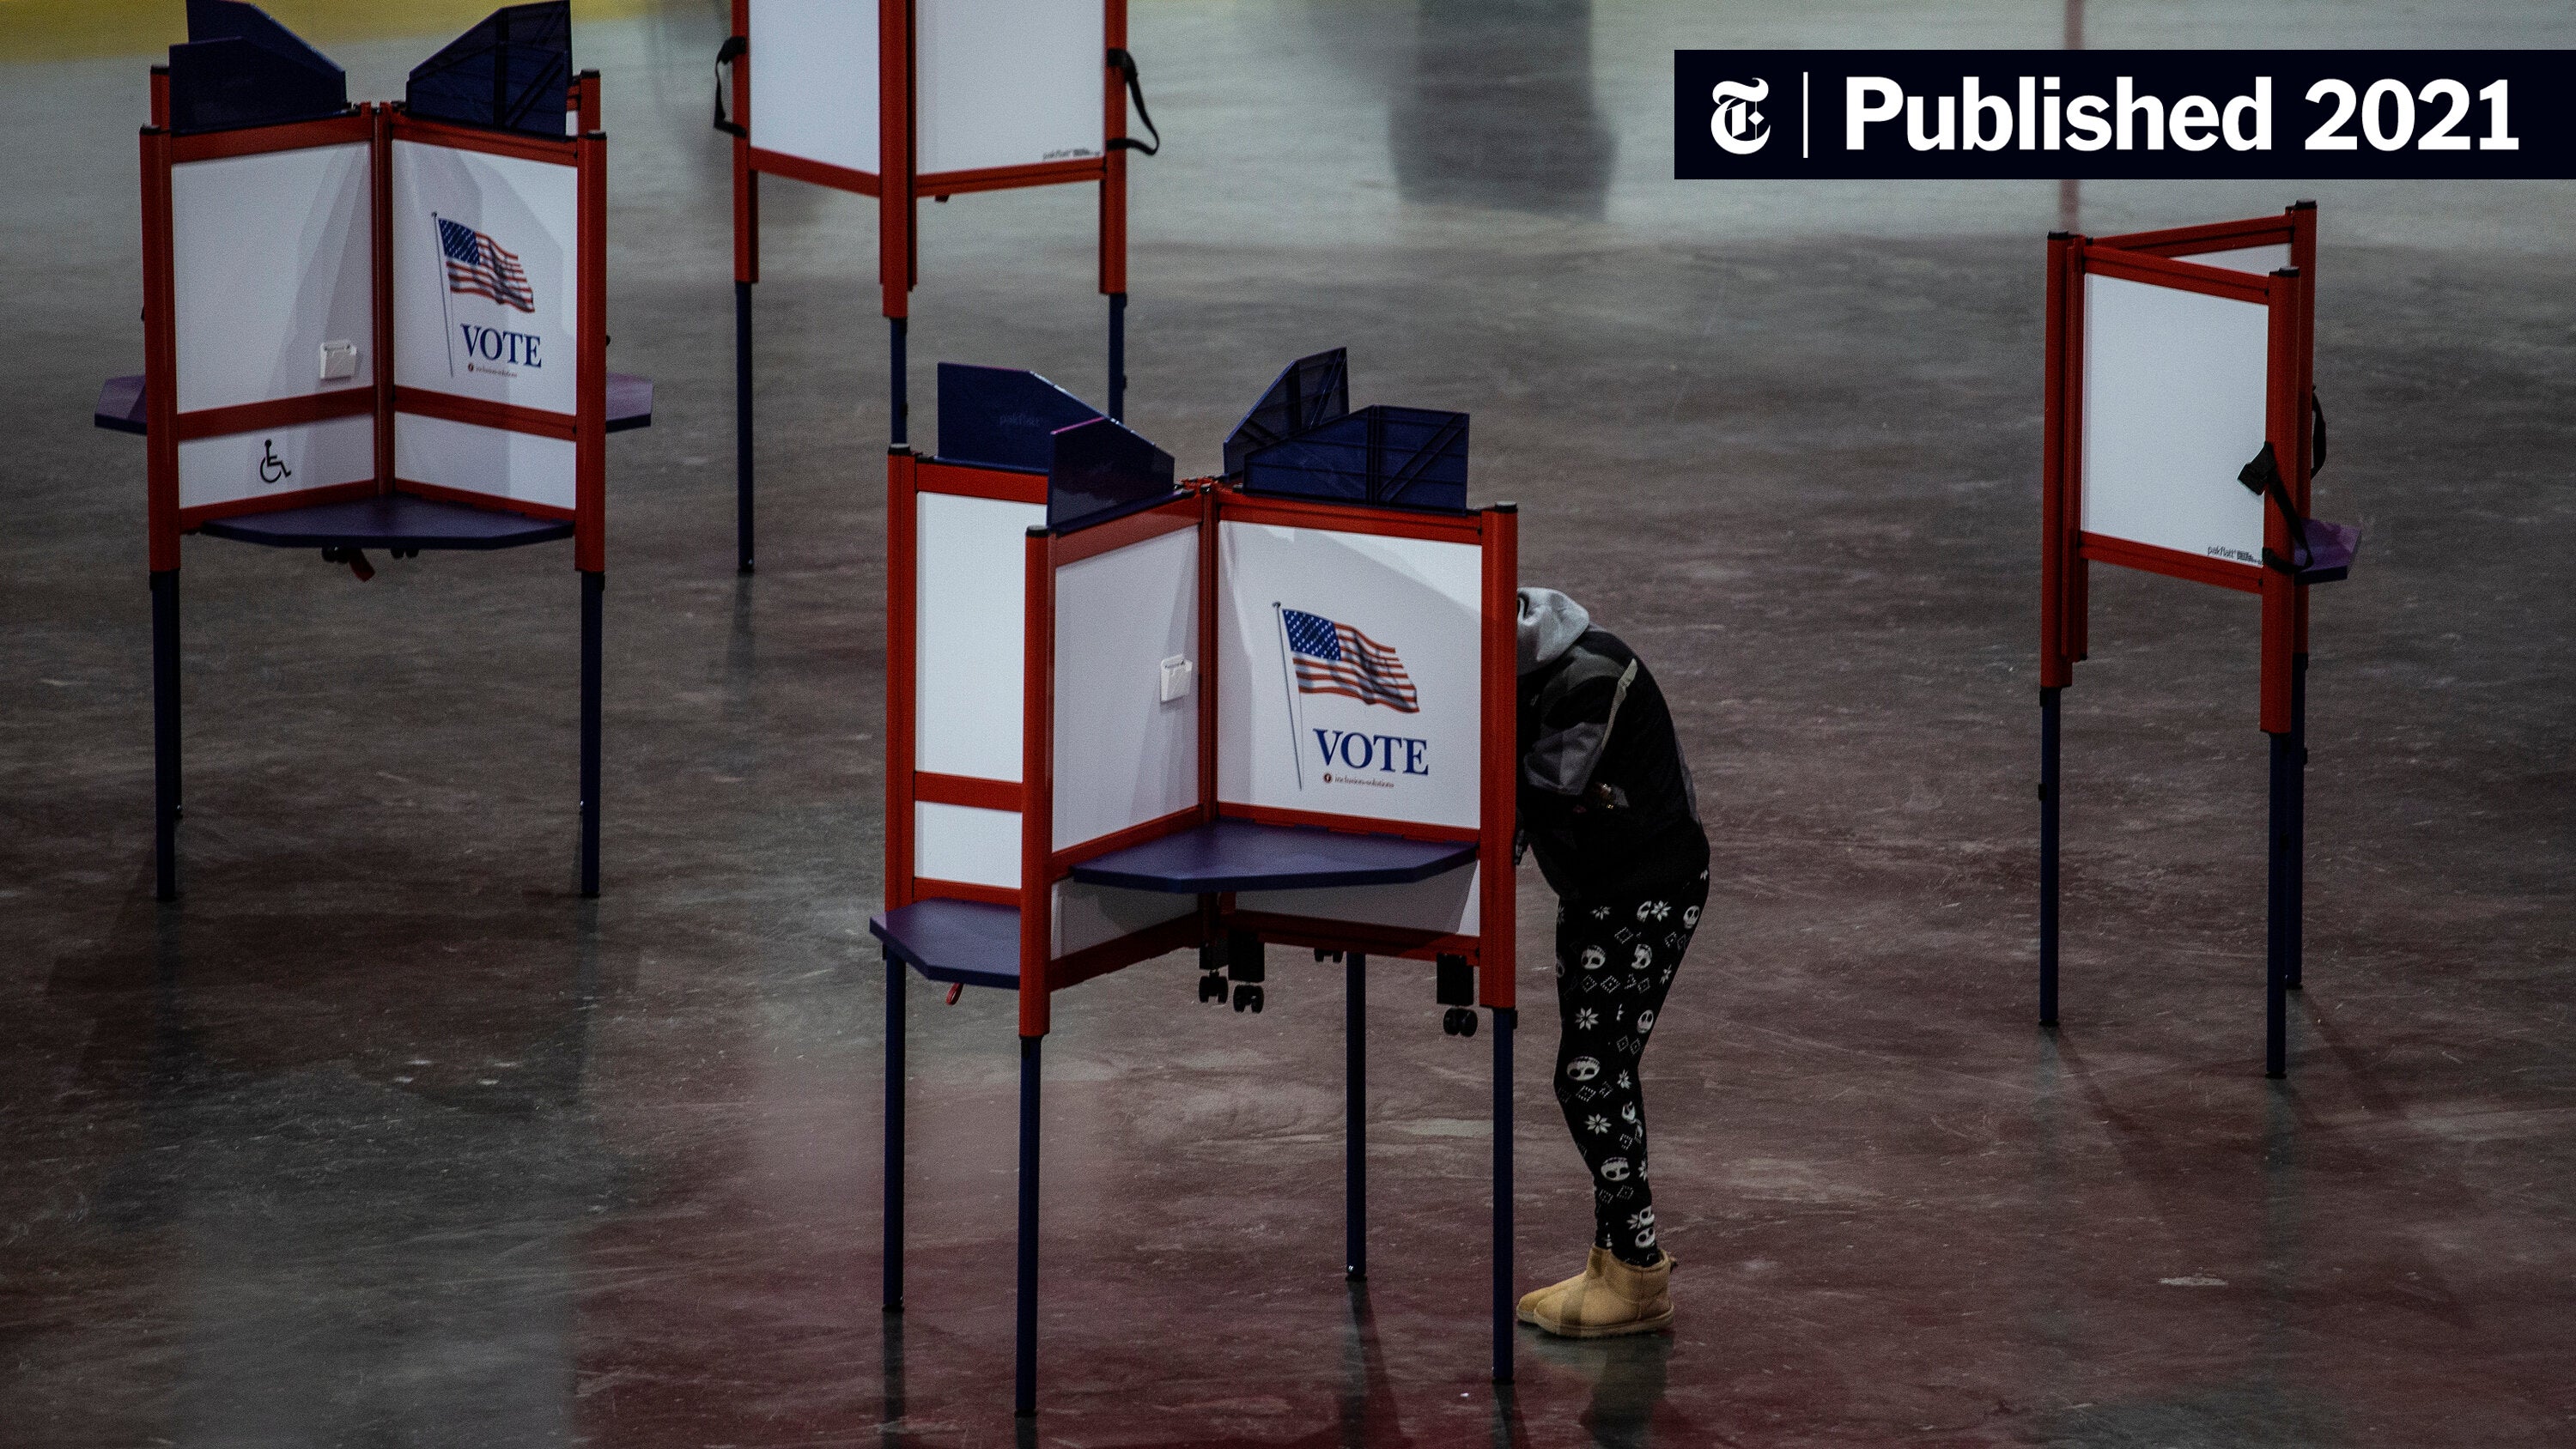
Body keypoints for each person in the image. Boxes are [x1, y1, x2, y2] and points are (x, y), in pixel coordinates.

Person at [1511, 587, 1709, 1338]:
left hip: (1647, 889)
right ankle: (1614, 1262)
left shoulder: (1589, 675)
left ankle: (1637, 1272)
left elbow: (1541, 791)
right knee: (1600, 1074)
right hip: (1599, 887)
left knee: (1590, 1080)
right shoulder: (1528, 676)